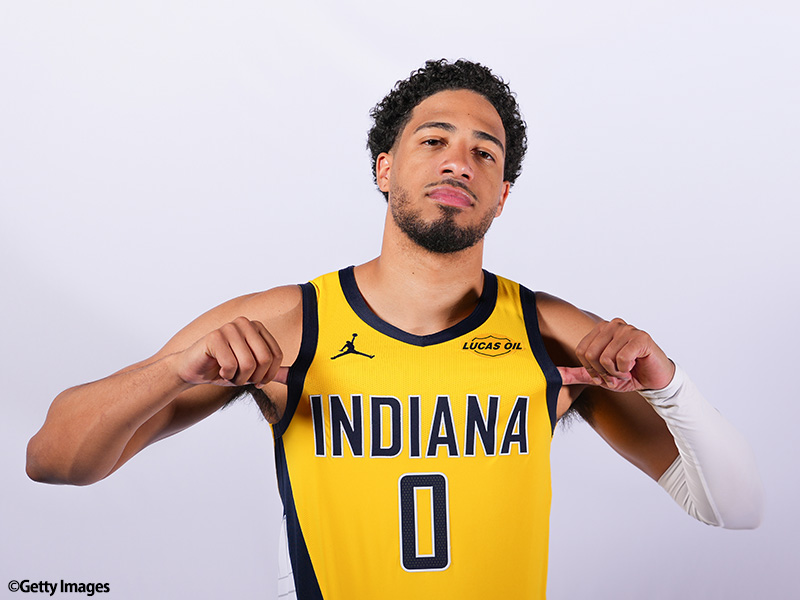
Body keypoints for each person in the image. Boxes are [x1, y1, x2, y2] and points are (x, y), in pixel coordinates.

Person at [27, 59, 763, 599]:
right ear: (384, 168)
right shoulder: (289, 324)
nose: (459, 163)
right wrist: (173, 371)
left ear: (502, 196)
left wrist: (669, 384)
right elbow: (54, 459)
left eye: (484, 152)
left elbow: (735, 508)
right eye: (434, 141)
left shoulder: (556, 335)